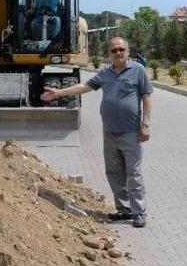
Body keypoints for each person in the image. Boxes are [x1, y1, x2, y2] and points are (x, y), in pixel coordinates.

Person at [40, 37, 153, 228]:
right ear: (109, 53)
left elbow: (147, 97)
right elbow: (85, 87)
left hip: (131, 132)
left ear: (128, 50)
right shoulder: (106, 73)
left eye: (121, 49)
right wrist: (59, 93)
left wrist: (146, 124)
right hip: (109, 132)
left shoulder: (138, 71)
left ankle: (139, 212)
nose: (118, 53)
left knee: (133, 174)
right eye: (114, 50)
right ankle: (124, 210)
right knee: (114, 173)